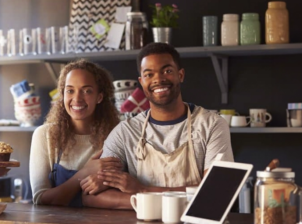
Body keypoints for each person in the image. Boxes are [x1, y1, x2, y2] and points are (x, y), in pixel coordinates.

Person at [81, 42, 234, 209]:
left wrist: (143, 190)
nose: (158, 80)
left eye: (167, 71)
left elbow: (218, 192)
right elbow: (91, 196)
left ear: (180, 75)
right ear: (141, 81)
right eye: (149, 74)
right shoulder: (125, 132)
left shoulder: (211, 125)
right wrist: (150, 202)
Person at [29, 59, 121, 207]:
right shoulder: (44, 135)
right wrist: (84, 173)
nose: (77, 99)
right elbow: (40, 199)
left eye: (87, 91)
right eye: (70, 90)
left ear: (99, 97)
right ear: (63, 95)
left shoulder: (116, 136)